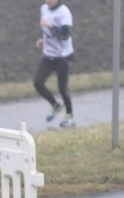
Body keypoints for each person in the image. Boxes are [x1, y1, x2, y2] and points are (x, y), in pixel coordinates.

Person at [34, 0, 75, 128]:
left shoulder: (64, 12)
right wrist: (43, 39)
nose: (48, 1)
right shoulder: (44, 8)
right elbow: (46, 30)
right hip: (48, 55)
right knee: (38, 83)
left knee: (62, 88)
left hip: (63, 57)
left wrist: (50, 26)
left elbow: (65, 36)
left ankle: (70, 115)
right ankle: (55, 105)